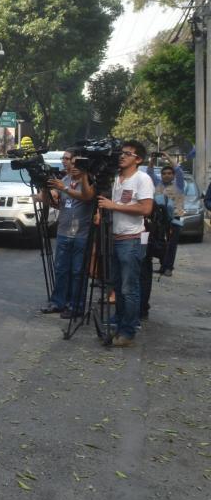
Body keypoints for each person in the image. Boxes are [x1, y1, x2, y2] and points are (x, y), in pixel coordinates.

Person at [96, 140, 154, 348]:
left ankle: (128, 331)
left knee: (130, 288)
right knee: (118, 286)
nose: (122, 156)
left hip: (132, 239)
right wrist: (102, 209)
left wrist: (115, 206)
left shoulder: (142, 179)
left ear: (138, 159)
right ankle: (120, 321)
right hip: (115, 237)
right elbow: (104, 201)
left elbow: (146, 209)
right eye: (121, 153)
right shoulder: (116, 179)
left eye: (127, 154)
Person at [38, 149, 95, 319]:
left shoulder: (90, 180)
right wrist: (45, 187)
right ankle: (58, 302)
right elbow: (52, 200)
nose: (69, 164)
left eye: (74, 161)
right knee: (61, 269)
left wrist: (81, 177)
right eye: (67, 160)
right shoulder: (64, 179)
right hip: (63, 232)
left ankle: (76, 305)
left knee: (78, 271)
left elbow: (87, 196)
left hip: (82, 234)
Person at [146, 154, 185, 276]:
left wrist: (168, 157)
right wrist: (152, 160)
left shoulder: (179, 184)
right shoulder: (158, 183)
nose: (166, 175)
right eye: (164, 173)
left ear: (173, 176)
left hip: (174, 218)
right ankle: (163, 266)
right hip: (160, 219)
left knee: (171, 243)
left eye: (169, 173)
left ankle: (169, 268)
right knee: (160, 242)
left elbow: (178, 170)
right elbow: (150, 172)